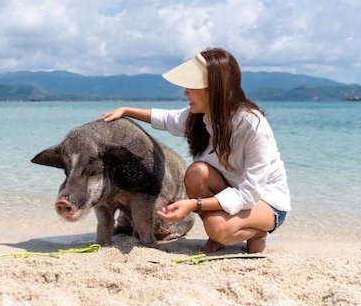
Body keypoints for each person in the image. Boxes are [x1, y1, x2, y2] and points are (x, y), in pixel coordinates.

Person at [101, 47, 291, 254]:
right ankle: (221, 233)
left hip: (266, 200)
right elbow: (166, 119)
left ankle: (255, 232)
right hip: (232, 191)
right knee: (196, 173)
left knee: (218, 227)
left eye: (192, 86)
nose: (185, 92)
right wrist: (126, 110)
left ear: (214, 88)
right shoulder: (202, 117)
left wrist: (194, 205)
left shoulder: (252, 126)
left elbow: (249, 193)